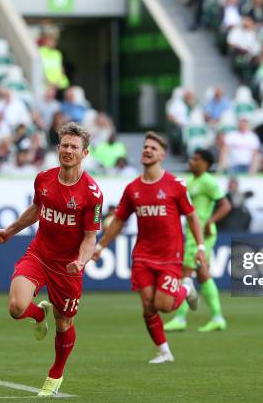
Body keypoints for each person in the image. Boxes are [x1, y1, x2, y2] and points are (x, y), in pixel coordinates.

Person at [0, 123, 103, 396]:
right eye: (64, 145)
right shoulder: (43, 178)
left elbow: (90, 238)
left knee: (64, 323)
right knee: (17, 307)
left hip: (67, 267)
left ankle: (55, 375)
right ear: (58, 148)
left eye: (74, 147)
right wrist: (10, 231)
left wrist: (81, 262)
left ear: (84, 153)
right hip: (39, 254)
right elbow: (36, 210)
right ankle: (39, 313)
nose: (68, 150)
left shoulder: (92, 193)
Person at [92, 132, 206, 363]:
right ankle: (164, 352)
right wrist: (101, 245)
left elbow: (193, 217)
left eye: (153, 147)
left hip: (170, 254)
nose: (148, 150)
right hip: (143, 255)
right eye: (145, 147)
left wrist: (201, 246)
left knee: (163, 305)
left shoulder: (175, 185)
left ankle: (186, 287)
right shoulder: (132, 188)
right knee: (147, 306)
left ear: (162, 155)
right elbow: (119, 221)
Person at [164, 149, 232, 332]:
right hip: (192, 233)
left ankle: (180, 318)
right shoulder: (191, 182)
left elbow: (226, 205)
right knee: (202, 274)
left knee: (184, 273)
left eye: (196, 159)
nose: (192, 161)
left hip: (201, 235)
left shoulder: (208, 182)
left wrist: (211, 220)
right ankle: (217, 317)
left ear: (205, 164)